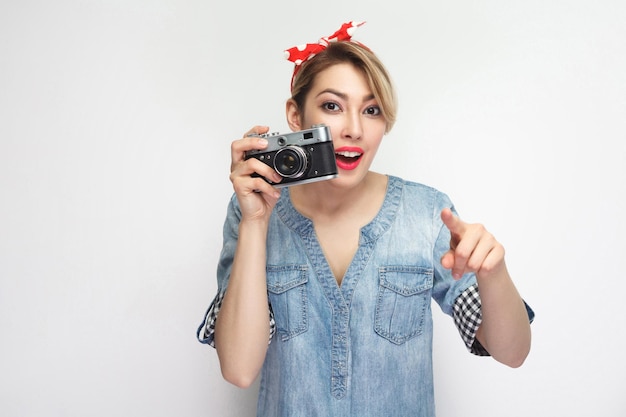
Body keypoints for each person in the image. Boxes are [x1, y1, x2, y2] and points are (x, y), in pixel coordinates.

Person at [197, 21, 534, 417]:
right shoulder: (251, 210)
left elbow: (512, 353)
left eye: (371, 110)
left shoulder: (426, 213)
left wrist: (494, 273)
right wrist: (255, 223)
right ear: (295, 115)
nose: (354, 129)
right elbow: (238, 369)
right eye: (332, 106)